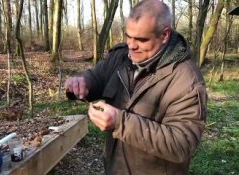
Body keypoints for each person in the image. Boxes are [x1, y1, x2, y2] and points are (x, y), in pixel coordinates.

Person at [65, 0, 207, 174]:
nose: (131, 45)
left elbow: (181, 145)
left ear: (164, 35)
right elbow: (96, 77)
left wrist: (120, 122)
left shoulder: (186, 80)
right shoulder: (120, 57)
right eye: (128, 36)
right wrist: (81, 82)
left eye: (141, 39)